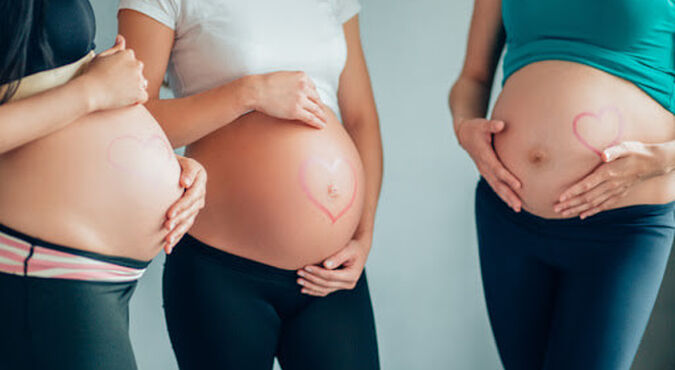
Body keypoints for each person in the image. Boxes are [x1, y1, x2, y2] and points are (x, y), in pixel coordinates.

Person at [118, 0, 383, 369]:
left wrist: (363, 232)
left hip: (331, 273)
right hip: (223, 272)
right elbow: (128, 117)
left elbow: (360, 118)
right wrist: (249, 93)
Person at [450, 1, 675, 369]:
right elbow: (471, 78)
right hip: (508, 214)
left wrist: (661, 160)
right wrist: (464, 126)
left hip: (621, 224)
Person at [0, 1, 207, 369]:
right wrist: (91, 92)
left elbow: (39, 92)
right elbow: (86, 92)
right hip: (45, 264)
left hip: (87, 269)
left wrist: (159, 159)